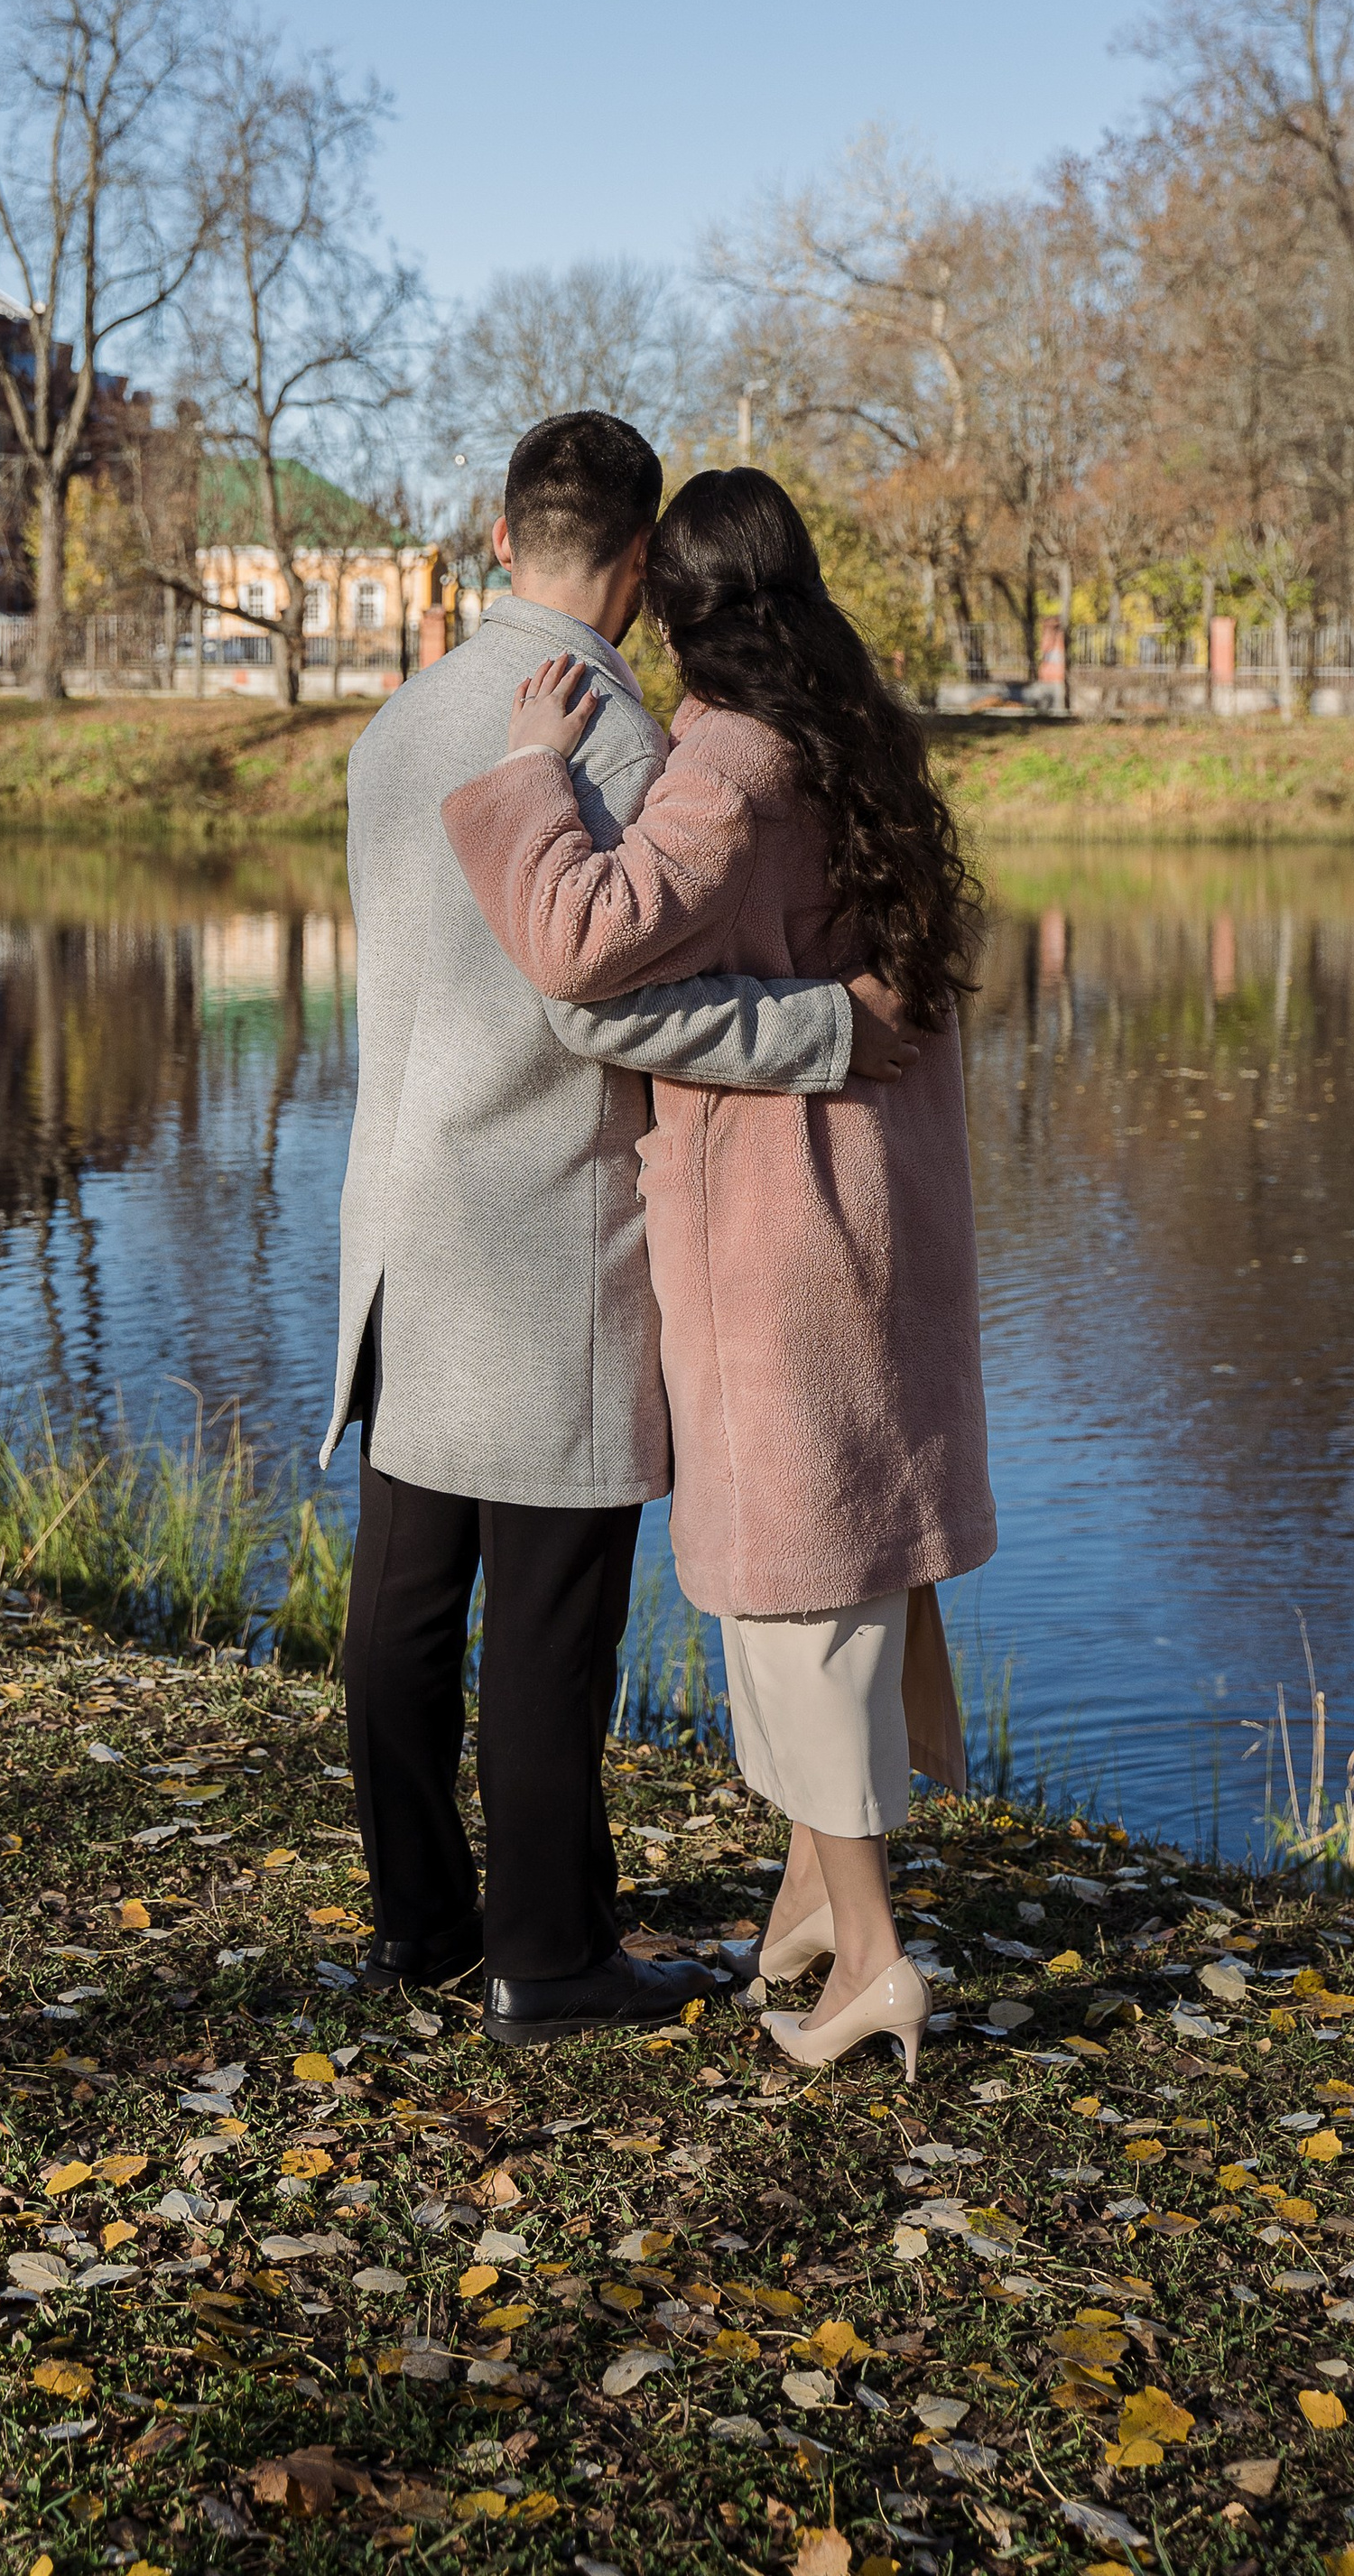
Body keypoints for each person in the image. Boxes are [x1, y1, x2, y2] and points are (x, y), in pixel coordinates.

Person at [326, 413, 923, 2047]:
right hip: (546, 1246)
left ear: (501, 532)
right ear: (642, 559)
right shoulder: (614, 739)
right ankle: (553, 1959)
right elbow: (609, 1012)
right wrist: (824, 1030)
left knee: (403, 1609)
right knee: (548, 1628)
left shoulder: (394, 724)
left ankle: (423, 1928)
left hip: (400, 1226)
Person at [441, 467, 995, 2079]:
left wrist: (534, 776)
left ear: (675, 607)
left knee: (792, 1584)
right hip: (878, 1207)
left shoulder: (728, 756)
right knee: (859, 1556)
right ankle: (813, 1908)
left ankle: (876, 1958)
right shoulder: (853, 729)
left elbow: (581, 937)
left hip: (782, 1225)